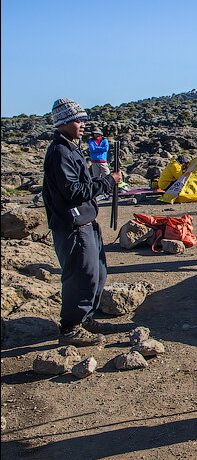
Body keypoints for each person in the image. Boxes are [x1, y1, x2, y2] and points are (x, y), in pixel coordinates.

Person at [43, 98, 123, 346]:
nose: (83, 125)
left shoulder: (71, 148)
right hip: (73, 225)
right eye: (78, 120)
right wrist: (108, 182)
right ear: (64, 123)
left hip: (86, 221)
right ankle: (70, 327)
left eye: (83, 120)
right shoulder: (60, 152)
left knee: (97, 272)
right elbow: (74, 191)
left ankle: (86, 318)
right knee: (80, 275)